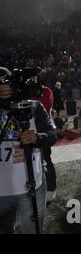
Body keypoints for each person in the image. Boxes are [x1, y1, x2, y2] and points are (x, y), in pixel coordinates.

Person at [0, 67, 57, 234]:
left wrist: (37, 138)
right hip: (1, 191)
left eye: (6, 82)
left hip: (33, 185)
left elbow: (52, 135)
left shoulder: (34, 107)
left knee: (32, 230)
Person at [31, 72, 57, 202]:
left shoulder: (46, 91)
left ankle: (51, 188)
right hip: (27, 130)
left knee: (46, 159)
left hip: (42, 129)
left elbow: (45, 109)